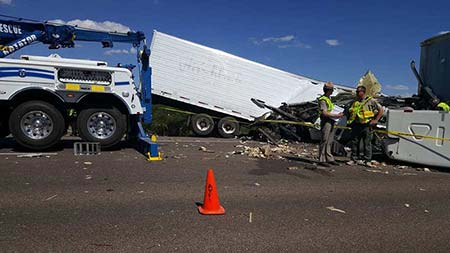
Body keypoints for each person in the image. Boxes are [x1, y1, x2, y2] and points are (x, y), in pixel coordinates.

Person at [346, 86, 384, 166]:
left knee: (367, 143)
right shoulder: (354, 102)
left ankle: (367, 160)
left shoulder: (370, 101)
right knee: (354, 142)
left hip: (367, 124)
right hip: (356, 124)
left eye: (358, 91)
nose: (356, 93)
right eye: (356, 91)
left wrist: (376, 120)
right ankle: (354, 159)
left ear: (363, 92)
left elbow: (381, 110)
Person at [318, 82, 344, 167]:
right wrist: (337, 115)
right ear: (328, 90)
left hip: (332, 121)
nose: (333, 91)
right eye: (332, 90)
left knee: (329, 140)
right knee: (324, 140)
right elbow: (325, 113)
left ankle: (329, 158)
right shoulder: (323, 99)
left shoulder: (329, 99)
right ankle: (322, 159)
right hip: (326, 121)